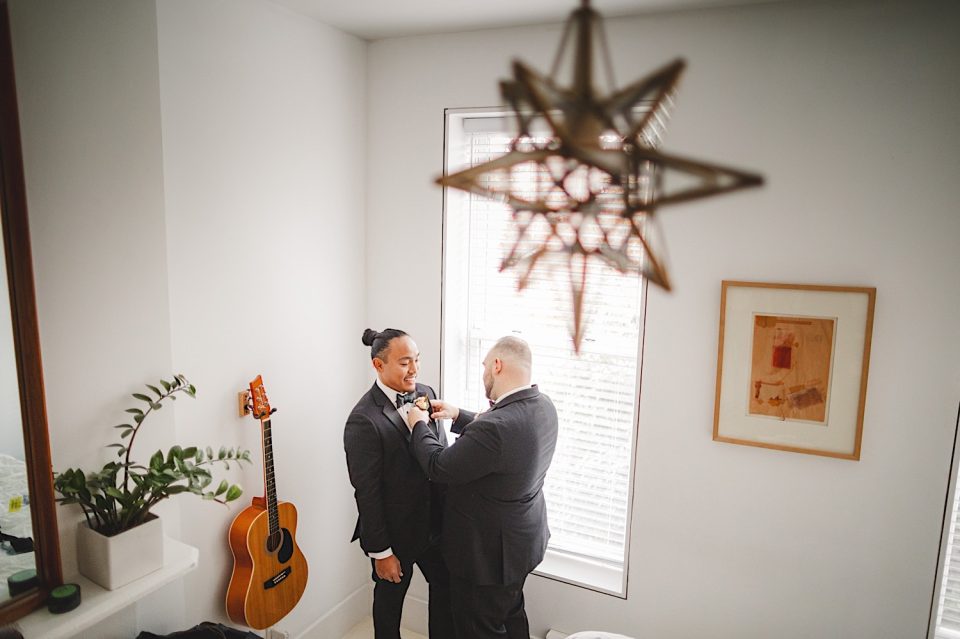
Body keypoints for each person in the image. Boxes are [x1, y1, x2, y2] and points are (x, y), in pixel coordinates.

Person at [405, 336, 558, 639]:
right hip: (522, 545)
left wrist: (418, 424)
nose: (484, 373)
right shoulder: (542, 406)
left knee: (480, 630)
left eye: (485, 366)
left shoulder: (496, 428)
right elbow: (506, 437)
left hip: (486, 558)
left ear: (497, 365)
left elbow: (439, 466)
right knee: (512, 615)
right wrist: (458, 414)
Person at [343, 328, 454, 639]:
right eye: (405, 362)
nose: (415, 369)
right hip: (395, 536)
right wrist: (381, 552)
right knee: (389, 608)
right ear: (379, 365)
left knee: (446, 595)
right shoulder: (363, 420)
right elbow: (367, 492)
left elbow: (439, 456)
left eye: (417, 360)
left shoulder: (427, 393)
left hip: (435, 527)